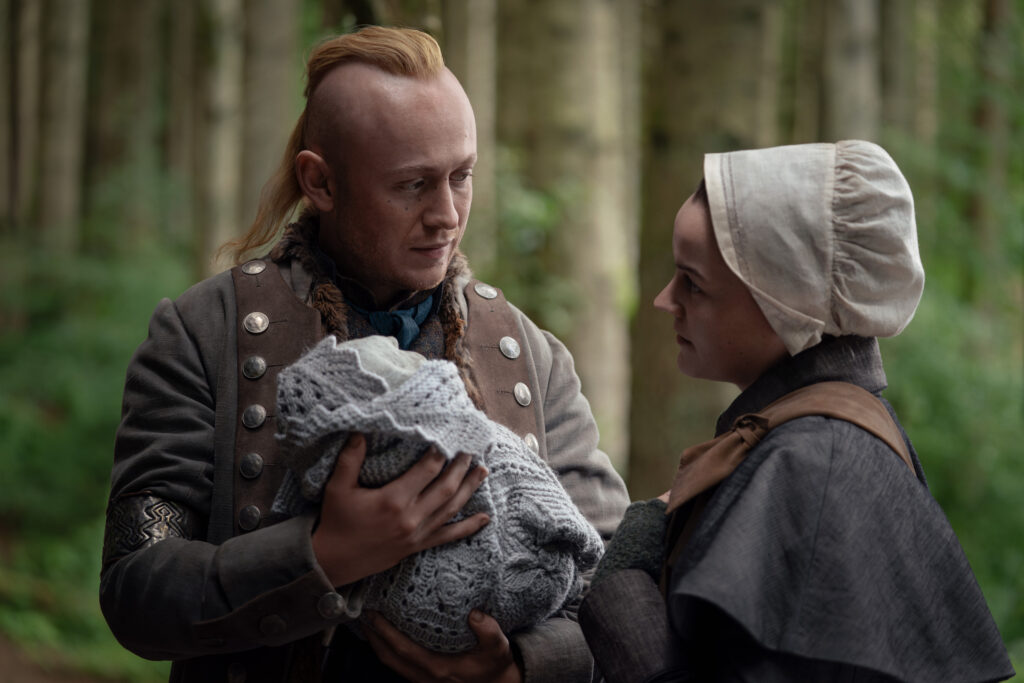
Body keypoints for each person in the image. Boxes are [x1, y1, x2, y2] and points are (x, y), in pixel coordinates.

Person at [100, 26, 629, 683]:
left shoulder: (528, 356)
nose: (447, 214)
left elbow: (614, 584)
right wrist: (324, 554)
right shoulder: (204, 334)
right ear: (320, 181)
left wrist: (521, 668)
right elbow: (136, 585)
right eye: (412, 185)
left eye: (461, 176)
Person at [579, 140, 1014, 682]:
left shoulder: (813, 467)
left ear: (783, 304)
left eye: (694, 282)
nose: (665, 299)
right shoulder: (817, 442)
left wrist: (621, 590)